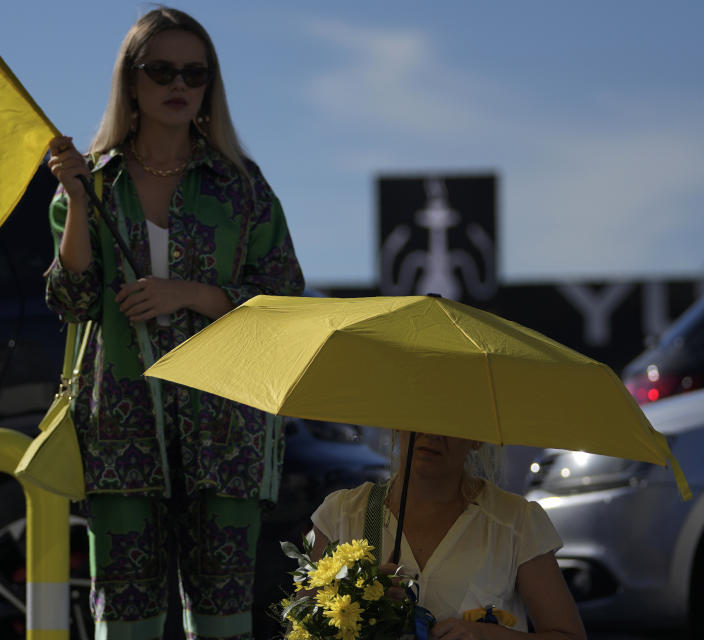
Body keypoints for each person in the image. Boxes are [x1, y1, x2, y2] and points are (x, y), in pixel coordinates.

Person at [43, 7, 305, 639]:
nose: (178, 83)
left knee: (222, 622)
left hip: (227, 430)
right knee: (125, 622)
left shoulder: (241, 187)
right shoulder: (94, 182)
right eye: (160, 70)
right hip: (120, 432)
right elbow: (72, 299)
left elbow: (284, 299)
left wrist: (188, 293)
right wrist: (77, 202)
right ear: (130, 82)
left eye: (195, 71)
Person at [309, 431, 587, 640]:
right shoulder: (342, 514)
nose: (433, 433)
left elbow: (567, 634)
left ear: (477, 438)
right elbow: (303, 623)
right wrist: (361, 601)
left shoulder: (516, 522)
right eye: (422, 413)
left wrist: (486, 635)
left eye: (451, 419)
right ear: (398, 423)